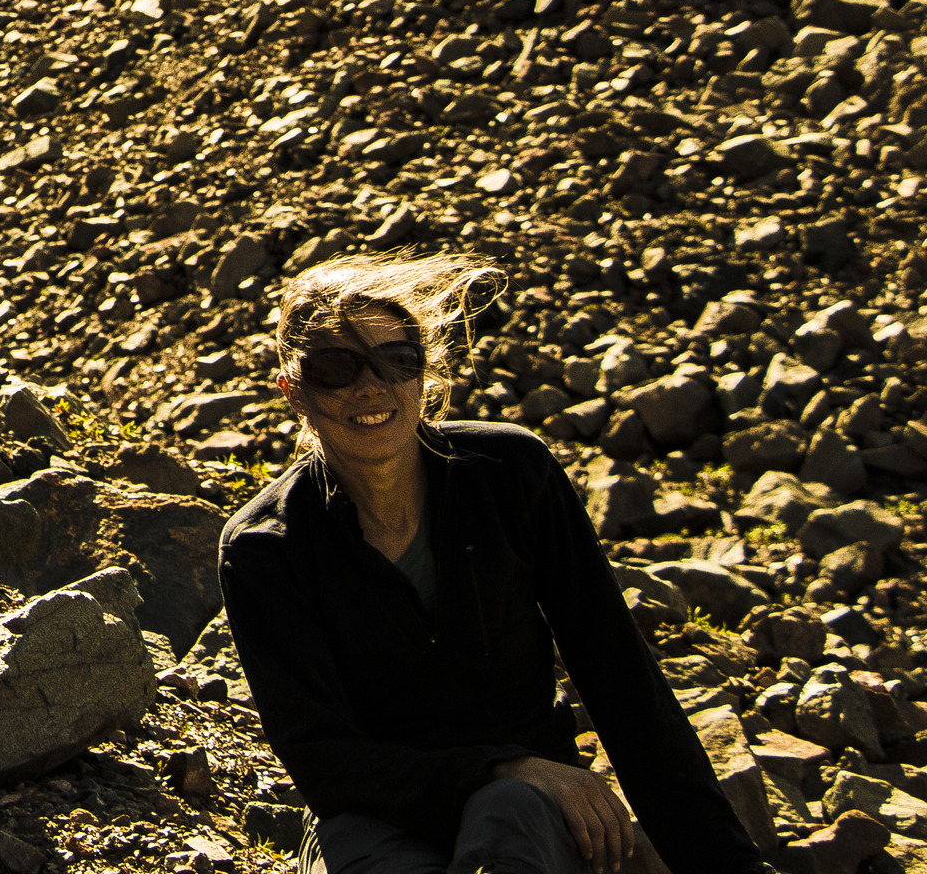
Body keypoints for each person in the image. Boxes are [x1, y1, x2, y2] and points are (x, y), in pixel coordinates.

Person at [219, 253, 769, 874]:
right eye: (336, 368)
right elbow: (324, 760)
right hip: (378, 819)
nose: (370, 387)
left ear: (425, 371)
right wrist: (504, 764)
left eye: (397, 360)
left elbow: (620, 678)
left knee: (506, 815)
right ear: (293, 386)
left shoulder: (512, 475)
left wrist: (727, 865)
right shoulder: (266, 547)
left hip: (530, 812)